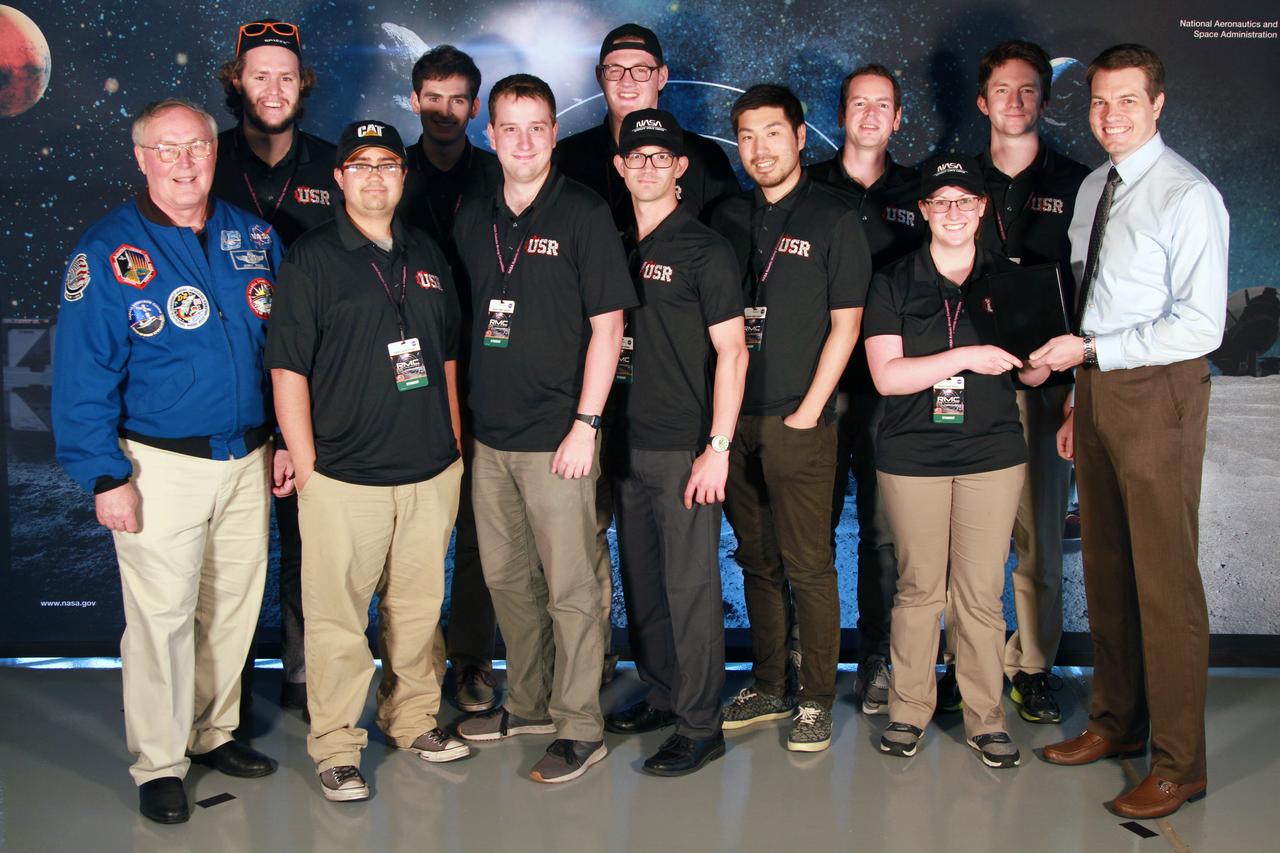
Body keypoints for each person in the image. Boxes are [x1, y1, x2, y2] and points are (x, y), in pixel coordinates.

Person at [52, 98, 285, 824]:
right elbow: (82, 373)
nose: (186, 162)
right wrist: (104, 474)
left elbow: (283, 352)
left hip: (248, 456)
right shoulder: (108, 251)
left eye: (197, 147)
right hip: (158, 466)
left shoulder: (252, 236)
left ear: (215, 154)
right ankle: (160, 760)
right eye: (168, 149)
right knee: (160, 619)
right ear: (142, 158)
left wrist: (282, 440)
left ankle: (213, 732)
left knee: (232, 608)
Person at [1032, 43, 1227, 819]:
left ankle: (1181, 763)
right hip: (1101, 386)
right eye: (1099, 103)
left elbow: (1201, 324)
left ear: (1158, 104)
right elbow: (1093, 302)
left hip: (1158, 394)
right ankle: (1116, 722)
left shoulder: (1188, 196)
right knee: (1108, 569)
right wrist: (1081, 394)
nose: (1111, 116)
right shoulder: (1091, 189)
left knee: (1166, 584)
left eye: (1127, 102)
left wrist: (1092, 356)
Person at [267, 119, 469, 803]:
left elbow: (443, 358)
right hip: (343, 478)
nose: (376, 176)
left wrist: (455, 451)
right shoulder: (312, 259)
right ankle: (335, 746)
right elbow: (288, 369)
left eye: (388, 164)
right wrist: (308, 466)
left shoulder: (428, 254)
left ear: (403, 177)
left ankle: (412, 719)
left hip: (429, 472)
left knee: (417, 613)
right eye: (361, 165)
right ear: (340, 178)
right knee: (337, 622)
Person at [451, 74, 636, 784]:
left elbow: (609, 327)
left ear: (554, 133)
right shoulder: (474, 215)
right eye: (510, 127)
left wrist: (586, 424)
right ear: (489, 134)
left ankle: (580, 725)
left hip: (561, 435)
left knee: (571, 587)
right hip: (491, 437)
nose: (524, 141)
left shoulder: (584, 212)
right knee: (508, 581)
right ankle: (526, 703)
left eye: (537, 127)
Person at [865, 154, 1050, 769]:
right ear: (923, 211)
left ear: (981, 208)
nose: (952, 211)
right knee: (920, 588)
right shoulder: (892, 281)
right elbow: (888, 377)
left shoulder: (1012, 276)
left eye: (963, 201)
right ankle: (909, 711)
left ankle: (986, 719)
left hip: (992, 451)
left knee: (978, 592)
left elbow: (1034, 369)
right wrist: (966, 357)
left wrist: (1044, 359)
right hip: (912, 454)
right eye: (939, 201)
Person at [708, 84, 871, 752]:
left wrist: (807, 412)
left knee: (808, 564)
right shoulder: (726, 218)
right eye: (746, 136)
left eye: (772, 133)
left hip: (800, 420)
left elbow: (848, 325)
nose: (759, 148)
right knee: (756, 558)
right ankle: (771, 682)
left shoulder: (835, 218)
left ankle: (816, 697)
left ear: (801, 139)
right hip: (735, 416)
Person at [936, 39, 1091, 722]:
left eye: (1029, 90)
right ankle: (961, 661)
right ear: (982, 100)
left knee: (1038, 540)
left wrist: (1075, 391)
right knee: (959, 537)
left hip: (1046, 385)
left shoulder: (1079, 183)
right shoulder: (952, 178)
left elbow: (1097, 294)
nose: (1016, 101)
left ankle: (1031, 666)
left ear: (1046, 100)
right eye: (1003, 89)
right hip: (968, 384)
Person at [601, 109, 748, 776]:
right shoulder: (611, 243)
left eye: (663, 156)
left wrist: (717, 446)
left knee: (690, 589)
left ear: (681, 168)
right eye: (639, 156)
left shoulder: (705, 250)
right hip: (624, 443)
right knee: (645, 583)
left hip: (684, 448)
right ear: (621, 166)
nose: (650, 165)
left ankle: (700, 723)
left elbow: (733, 352)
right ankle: (662, 693)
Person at [212, 17, 338, 715]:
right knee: (228, 554)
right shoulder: (206, 159)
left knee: (309, 540)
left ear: (303, 84)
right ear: (236, 81)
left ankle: (304, 672)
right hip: (228, 381)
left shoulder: (330, 164)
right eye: (258, 74)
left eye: (286, 75)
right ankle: (221, 692)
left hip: (313, 386)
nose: (273, 88)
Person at [809, 63, 925, 715]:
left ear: (898, 117)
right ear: (843, 111)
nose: (872, 114)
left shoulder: (920, 192)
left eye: (884, 105)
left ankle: (877, 658)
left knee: (884, 535)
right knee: (812, 530)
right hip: (817, 386)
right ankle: (812, 658)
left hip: (890, 391)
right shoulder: (810, 187)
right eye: (860, 103)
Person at [398, 43, 505, 714]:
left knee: (476, 522)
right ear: (414, 100)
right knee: (405, 527)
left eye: (457, 98)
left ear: (474, 104)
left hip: (487, 364)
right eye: (431, 97)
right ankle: (407, 666)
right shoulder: (386, 172)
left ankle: (469, 661)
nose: (443, 110)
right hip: (401, 367)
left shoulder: (498, 174)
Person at [556, 23, 741, 234]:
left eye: (641, 70)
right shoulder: (565, 158)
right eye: (615, 70)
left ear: (661, 77)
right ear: (600, 77)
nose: (627, 82)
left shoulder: (706, 158)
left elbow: (729, 246)